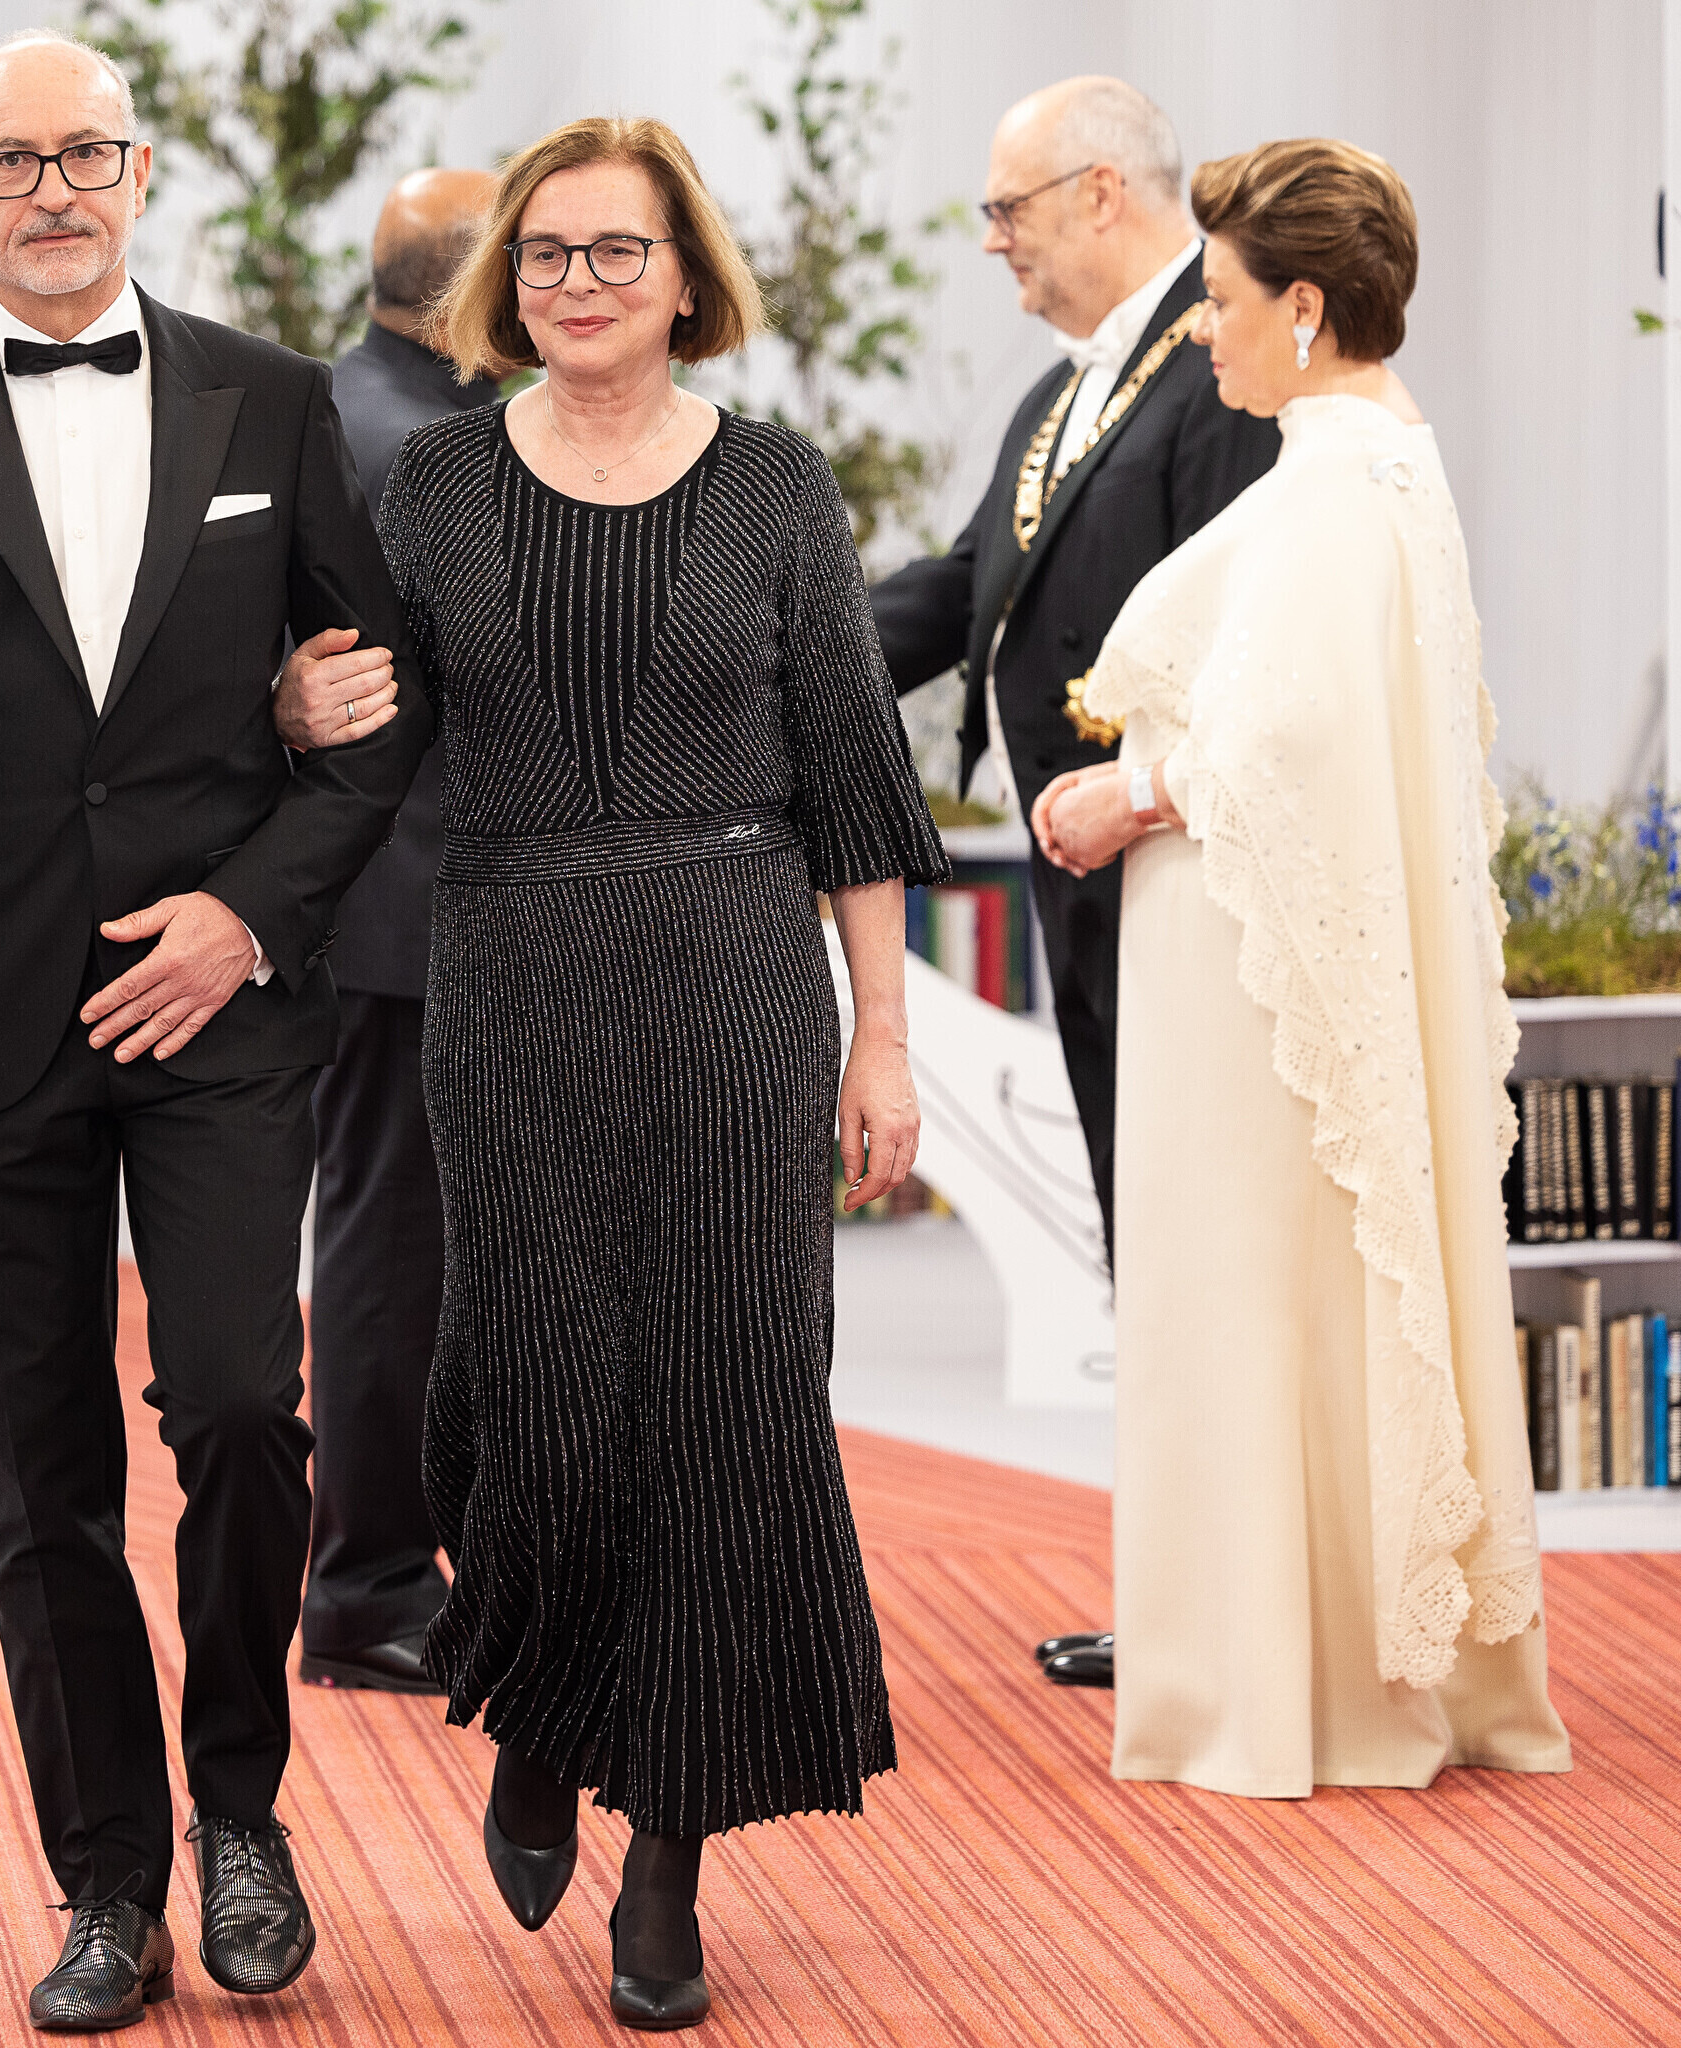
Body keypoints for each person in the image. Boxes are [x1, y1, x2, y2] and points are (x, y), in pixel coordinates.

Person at [0, 30, 431, 2027]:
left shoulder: (273, 397)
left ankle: (244, 1811)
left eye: (85, 153)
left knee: (233, 1401)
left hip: (219, 1000)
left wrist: (249, 913)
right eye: (11, 162)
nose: (52, 190)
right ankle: (108, 1877)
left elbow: (375, 711)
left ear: (140, 174)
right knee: (40, 1461)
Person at [289, 116, 946, 2028]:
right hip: (512, 975)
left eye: (615, 251)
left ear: (683, 279)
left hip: (732, 975)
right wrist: (293, 703)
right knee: (530, 1378)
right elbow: (364, 737)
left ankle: (668, 1839)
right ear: (505, 281)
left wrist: (882, 1034)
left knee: (731, 1395)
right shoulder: (433, 481)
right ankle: (534, 1694)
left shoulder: (773, 485)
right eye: (547, 253)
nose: (578, 282)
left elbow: (853, 779)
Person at [1034, 140, 1570, 1801]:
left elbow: (1280, 740)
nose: (1204, 331)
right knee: (1292, 1304)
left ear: (1306, 307)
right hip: (1264, 976)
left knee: (1250, 1306)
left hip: (1252, 1005)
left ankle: (1269, 1683)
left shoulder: (1339, 482)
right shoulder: (1377, 459)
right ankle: (1302, 1651)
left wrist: (1122, 792)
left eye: (1218, 301)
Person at [866, 78, 1280, 1695]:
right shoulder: (1061, 392)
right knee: (1143, 1236)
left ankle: (1238, 1602)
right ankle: (1177, 1587)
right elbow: (960, 591)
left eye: (1007, 209)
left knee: (1209, 1241)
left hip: (1182, 876)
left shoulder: (1220, 362)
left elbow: (1244, 641)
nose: (993, 243)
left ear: (1102, 191)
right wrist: (759, 651)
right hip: (1087, 880)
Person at [278, 165, 499, 1699]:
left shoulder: (346, 404)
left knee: (402, 1240)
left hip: (380, 900)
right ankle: (364, 1583)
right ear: (477, 286)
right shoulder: (427, 444)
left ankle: (391, 1566)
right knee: (391, 1249)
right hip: (411, 900)